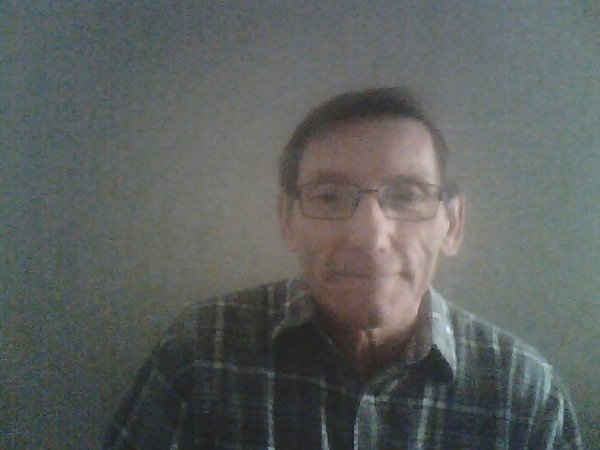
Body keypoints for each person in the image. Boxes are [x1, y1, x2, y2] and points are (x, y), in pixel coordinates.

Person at [104, 88, 583, 449]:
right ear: (287, 221)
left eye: (407, 195)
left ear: (452, 225)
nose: (370, 237)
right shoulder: (200, 354)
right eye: (330, 197)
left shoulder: (522, 394)